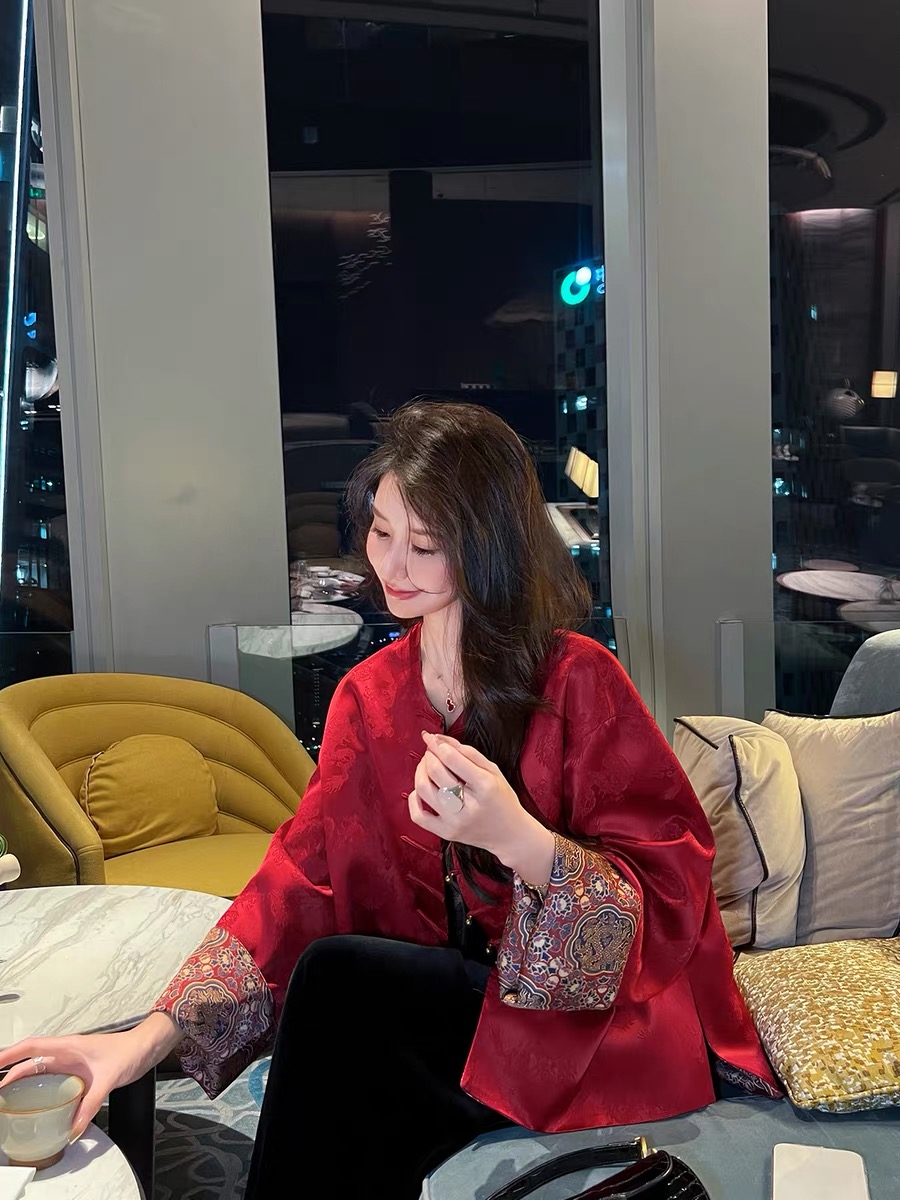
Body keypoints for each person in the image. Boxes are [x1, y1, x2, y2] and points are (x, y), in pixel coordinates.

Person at [0, 402, 779, 1197]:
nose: (393, 566)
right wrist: (140, 1042)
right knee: (336, 982)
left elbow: (673, 890)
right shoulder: (369, 697)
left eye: (426, 545)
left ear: (487, 546)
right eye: (380, 532)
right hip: (452, 1010)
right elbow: (299, 883)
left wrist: (519, 837)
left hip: (584, 1026)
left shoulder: (577, 679)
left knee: (344, 1000)